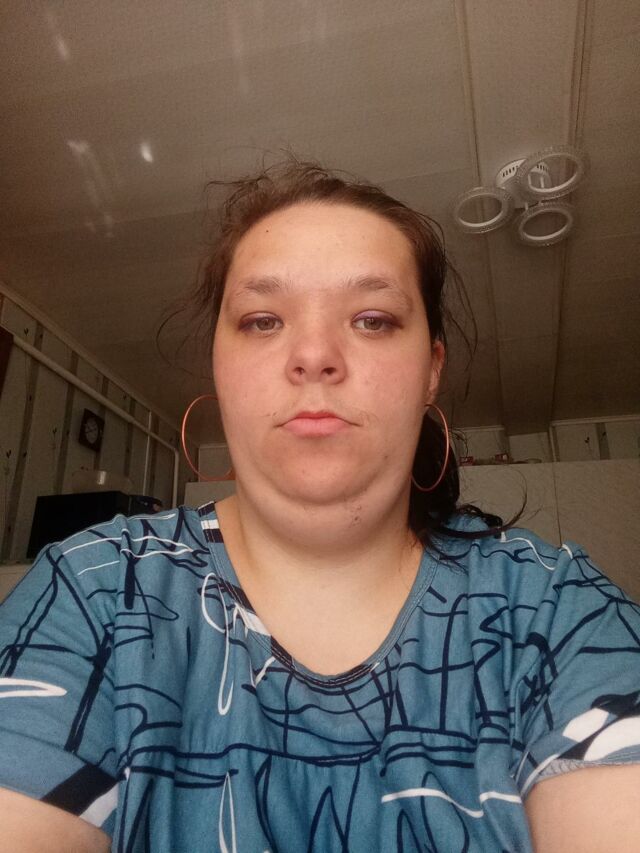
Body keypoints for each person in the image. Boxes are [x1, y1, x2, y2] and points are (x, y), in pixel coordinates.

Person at [1, 158, 639, 853]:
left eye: (372, 319)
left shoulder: (554, 607)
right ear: (217, 363)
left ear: (431, 369)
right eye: (262, 320)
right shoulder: (95, 589)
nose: (313, 355)